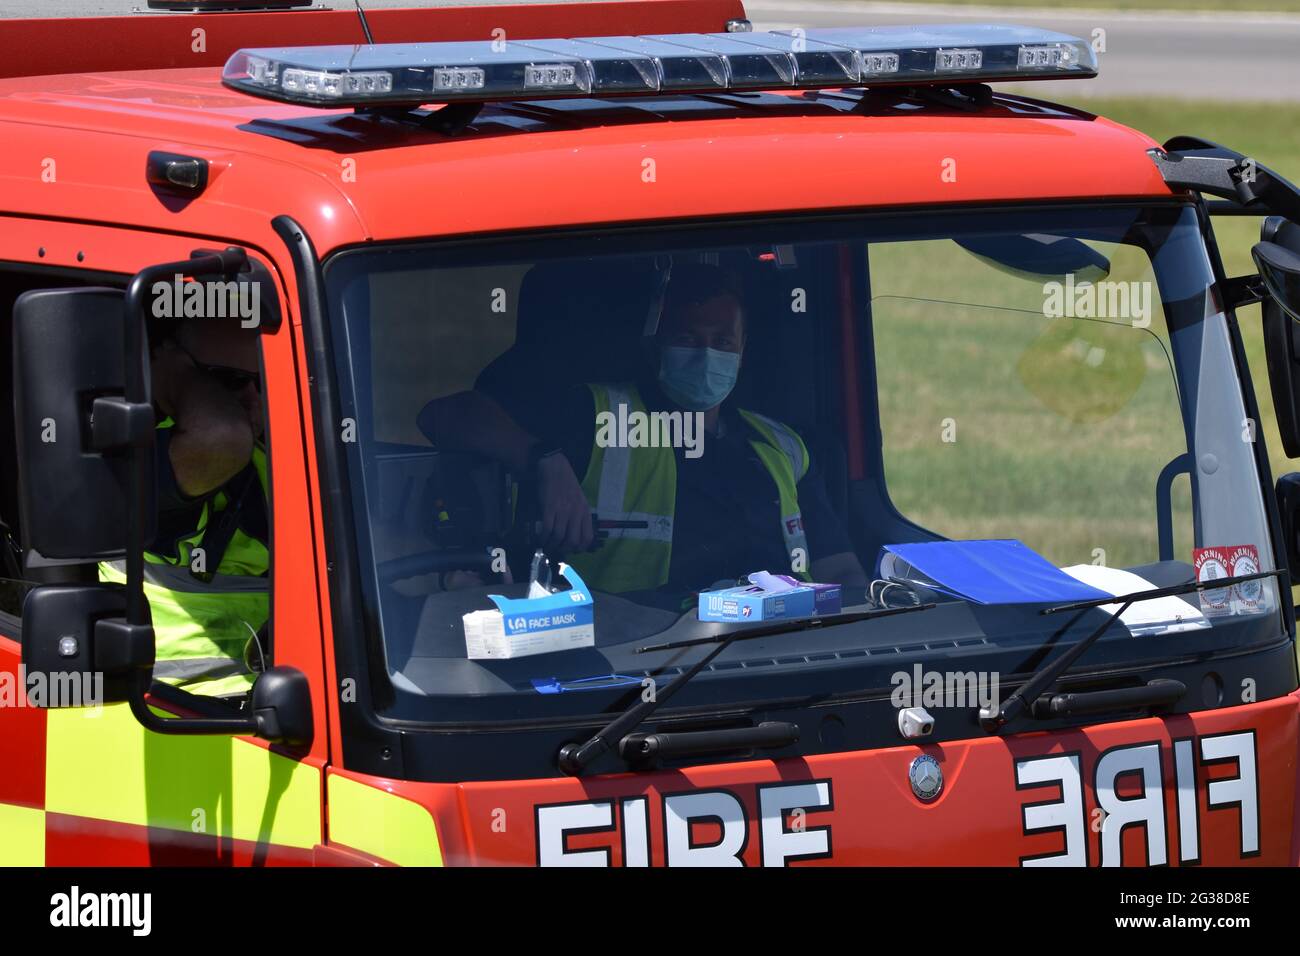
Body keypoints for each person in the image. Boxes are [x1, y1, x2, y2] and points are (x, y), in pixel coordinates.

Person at [422, 263, 867, 597]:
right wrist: (545, 461)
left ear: (744, 349)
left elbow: (842, 571)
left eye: (722, 342)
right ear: (655, 343)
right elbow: (446, 416)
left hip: (777, 662)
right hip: (632, 664)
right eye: (688, 339)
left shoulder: (783, 447)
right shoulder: (593, 415)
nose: (706, 355)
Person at [99, 316, 269, 699]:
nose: (253, 401)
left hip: (273, 704)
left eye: (265, 382)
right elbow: (220, 437)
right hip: (163, 704)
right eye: (227, 381)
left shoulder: (273, 458)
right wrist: (173, 374)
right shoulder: (134, 455)